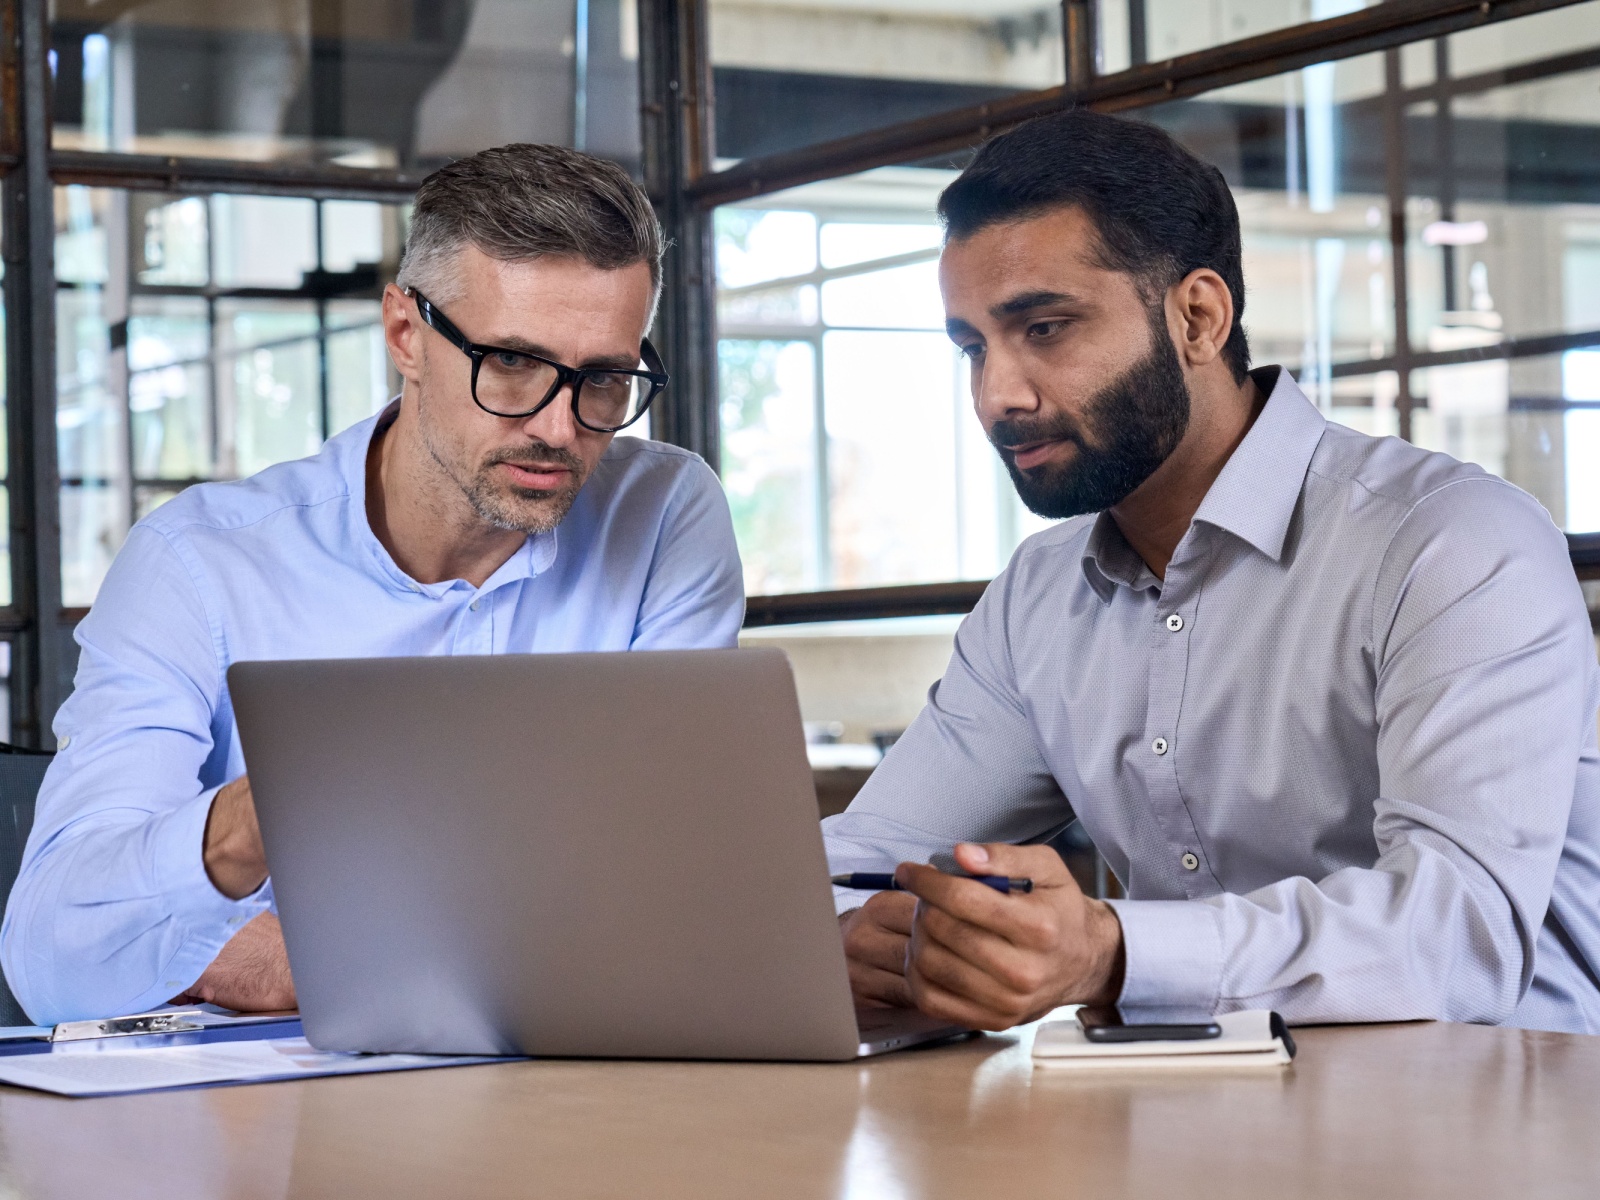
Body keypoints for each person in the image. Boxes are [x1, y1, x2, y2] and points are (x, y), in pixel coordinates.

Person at [828, 109, 1600, 1035]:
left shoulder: (1451, 544)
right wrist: (862, 933)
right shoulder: (1037, 600)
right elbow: (857, 862)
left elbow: (1459, 938)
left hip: (1497, 1132)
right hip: (1195, 1130)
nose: (999, 394)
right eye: (973, 347)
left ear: (1198, 316)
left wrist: (1112, 952)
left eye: (1045, 328)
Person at [2, 144, 745, 1025]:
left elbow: (664, 895)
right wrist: (242, 830)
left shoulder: (664, 514)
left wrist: (310, 951)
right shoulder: (196, 566)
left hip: (568, 1088)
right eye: (510, 362)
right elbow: (49, 959)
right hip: (271, 1129)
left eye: (605, 379)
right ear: (405, 336)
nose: (558, 426)